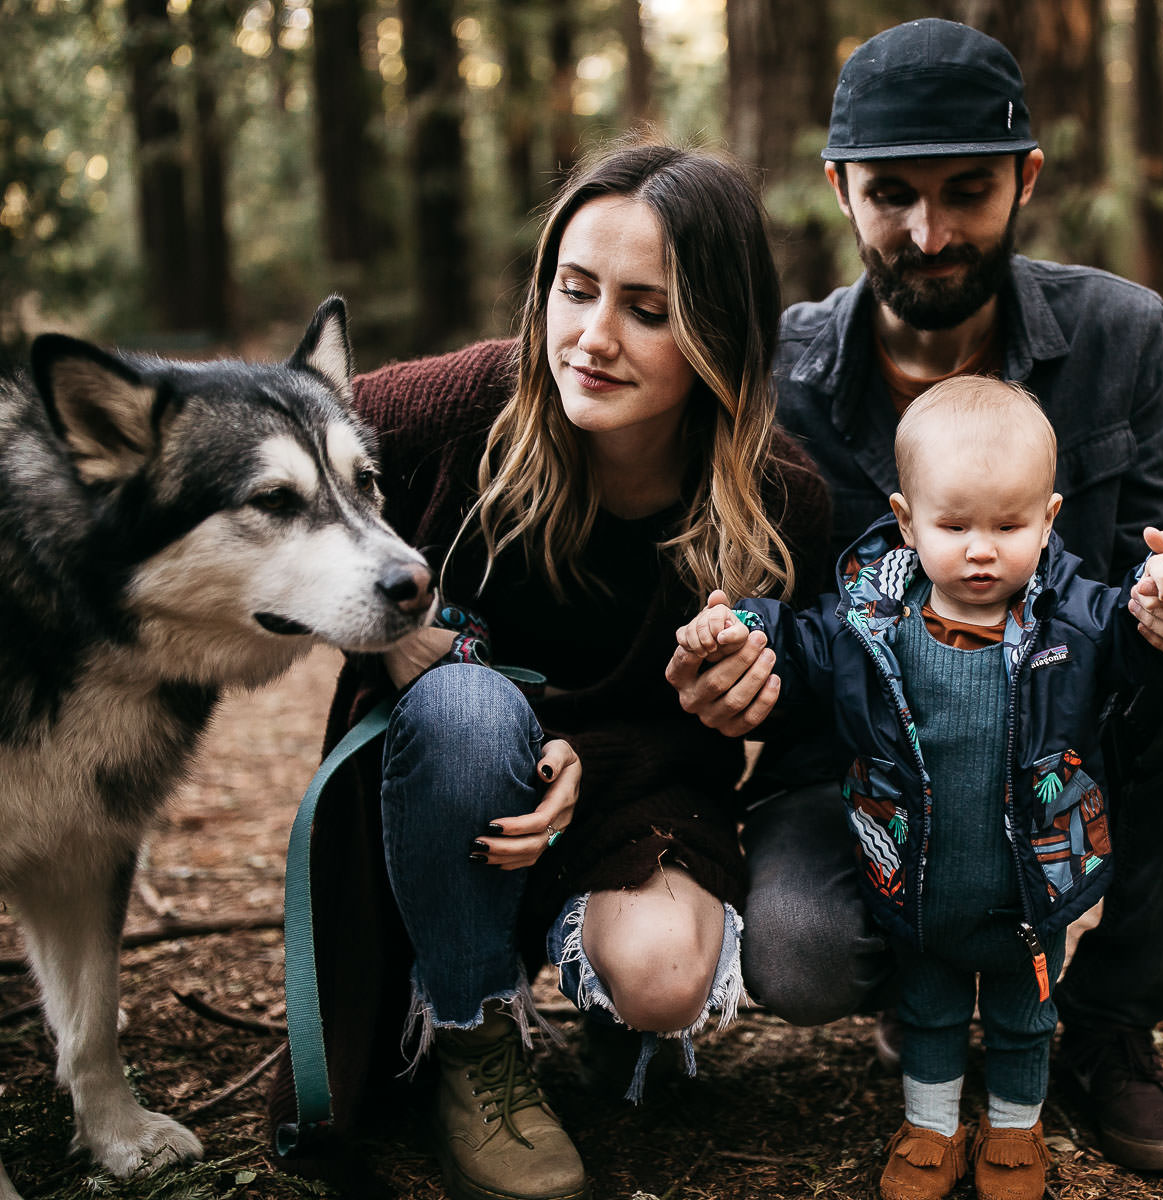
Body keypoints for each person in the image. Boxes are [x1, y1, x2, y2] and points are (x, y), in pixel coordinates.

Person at [664, 19, 1163, 1173]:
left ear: (1026, 180)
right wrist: (732, 655)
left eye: (968, 191)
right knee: (793, 956)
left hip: (1061, 740)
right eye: (891, 193)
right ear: (839, 187)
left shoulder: (1117, 334)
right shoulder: (775, 375)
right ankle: (938, 970)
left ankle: (1106, 1031)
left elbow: (1158, 560)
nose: (929, 232)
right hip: (859, 768)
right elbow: (749, 599)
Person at [268, 143, 831, 1200]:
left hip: (642, 782)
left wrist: (756, 688)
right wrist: (387, 633)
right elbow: (279, 446)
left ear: (718, 330)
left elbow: (782, 712)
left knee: (663, 974)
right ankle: (473, 1042)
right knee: (477, 715)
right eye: (574, 291)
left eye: (647, 310)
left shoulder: (778, 498)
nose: (593, 338)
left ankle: (609, 1017)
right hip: (449, 765)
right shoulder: (466, 405)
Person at [678, 378, 1163, 1200]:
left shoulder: (1074, 619)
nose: (982, 549)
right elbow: (800, 640)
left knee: (1023, 1014)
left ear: (1050, 519)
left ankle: (1012, 1131)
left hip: (1029, 881)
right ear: (905, 519)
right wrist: (741, 625)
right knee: (927, 1007)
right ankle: (929, 1130)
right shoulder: (871, 623)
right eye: (954, 526)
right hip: (916, 882)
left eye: (1009, 525)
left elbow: (1137, 652)